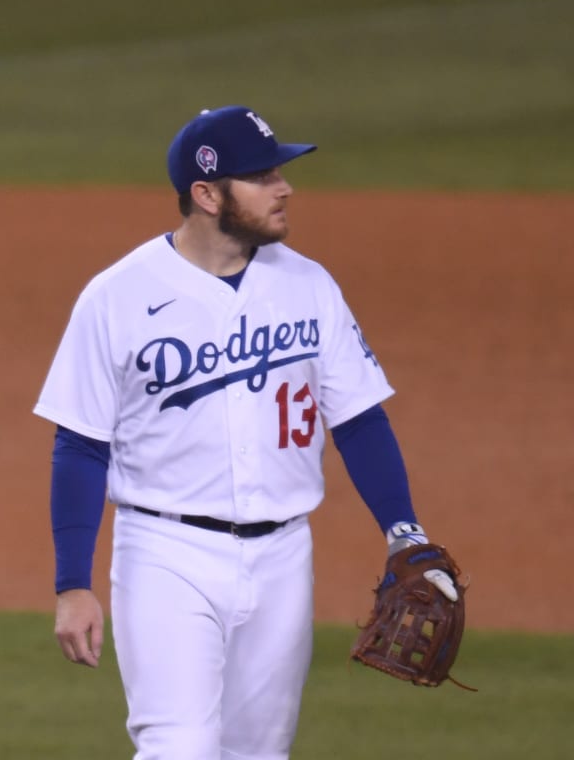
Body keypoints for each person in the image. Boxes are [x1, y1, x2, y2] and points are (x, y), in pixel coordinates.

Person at [34, 106, 461, 759]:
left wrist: (404, 529)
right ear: (206, 193)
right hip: (165, 554)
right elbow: (81, 445)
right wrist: (73, 583)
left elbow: (359, 419)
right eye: (262, 175)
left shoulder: (309, 285)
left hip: (285, 559)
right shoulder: (117, 296)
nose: (284, 187)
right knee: (178, 746)